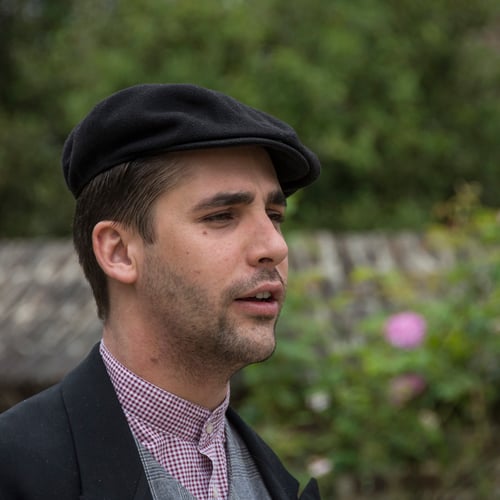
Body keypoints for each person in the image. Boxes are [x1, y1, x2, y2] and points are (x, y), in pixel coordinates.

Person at [0, 84, 321, 499]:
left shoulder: (276, 482)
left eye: (274, 215)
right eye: (222, 216)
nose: (274, 246)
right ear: (119, 252)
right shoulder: (15, 469)